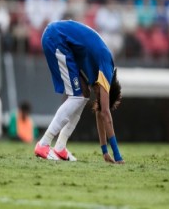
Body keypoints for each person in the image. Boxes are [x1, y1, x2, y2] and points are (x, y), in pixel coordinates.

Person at [34, 20, 124, 164]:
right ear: (108, 89)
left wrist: (105, 151)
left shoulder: (102, 68)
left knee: (84, 95)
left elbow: (101, 112)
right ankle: (44, 143)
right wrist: (118, 156)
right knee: (77, 96)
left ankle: (60, 147)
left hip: (61, 40)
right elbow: (105, 113)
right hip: (56, 38)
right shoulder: (107, 70)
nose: (97, 96)